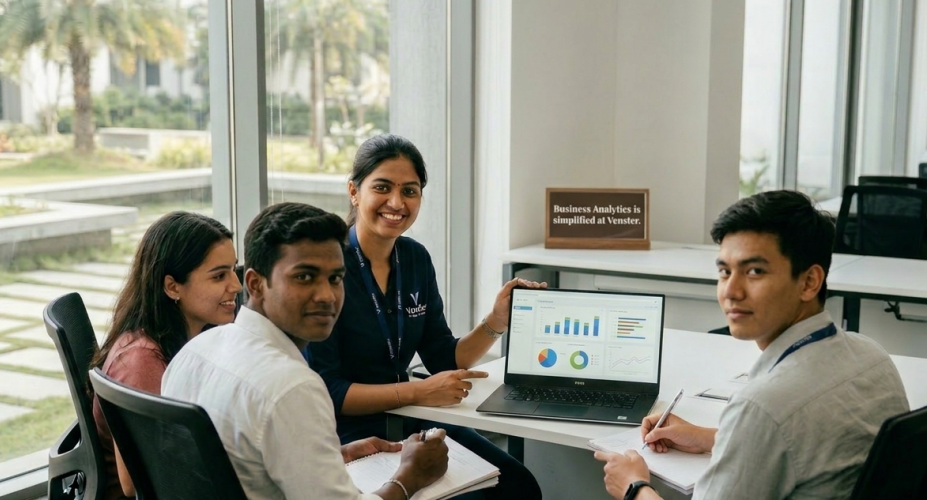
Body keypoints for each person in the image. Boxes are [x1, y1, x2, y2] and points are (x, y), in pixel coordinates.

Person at [593, 190, 910, 500]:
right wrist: (711, 439)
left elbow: (775, 422)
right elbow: (810, 451)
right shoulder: (873, 356)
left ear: (809, 282)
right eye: (724, 271)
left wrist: (634, 487)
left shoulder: (762, 407)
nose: (731, 291)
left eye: (754, 271)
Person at [307, 134, 544, 500]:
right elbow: (330, 391)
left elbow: (443, 357)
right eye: (382, 187)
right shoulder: (329, 266)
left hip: (411, 418)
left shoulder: (415, 258)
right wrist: (419, 391)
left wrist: (497, 320)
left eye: (410, 191)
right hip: (347, 433)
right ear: (354, 192)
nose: (397, 203)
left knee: (518, 486)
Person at [162, 202, 448, 500]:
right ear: (255, 284)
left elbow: (237, 466)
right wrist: (410, 476)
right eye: (304, 277)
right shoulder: (293, 388)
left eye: (336, 278)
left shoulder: (194, 352)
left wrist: (330, 456)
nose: (327, 295)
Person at [90, 211, 242, 499]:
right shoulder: (141, 362)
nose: (235, 285)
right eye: (219, 275)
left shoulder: (191, 336)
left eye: (233, 270)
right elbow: (136, 481)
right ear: (172, 286)